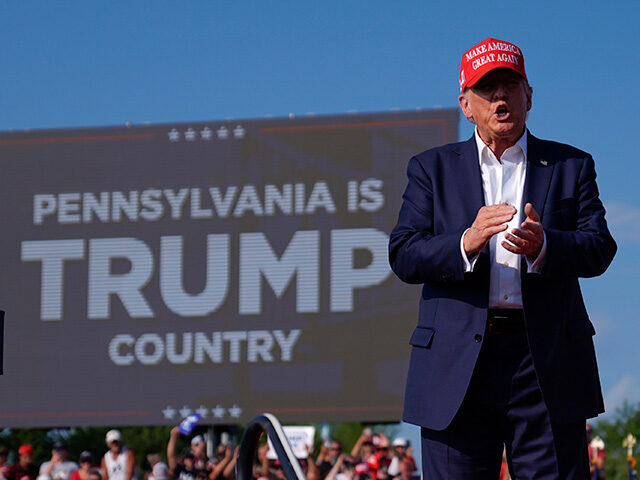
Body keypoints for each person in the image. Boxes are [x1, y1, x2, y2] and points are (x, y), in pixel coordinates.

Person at [389, 37, 617, 478]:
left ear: (528, 97)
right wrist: (466, 241)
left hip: (545, 362)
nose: (499, 97)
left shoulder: (571, 165)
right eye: (486, 88)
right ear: (465, 104)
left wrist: (546, 244)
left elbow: (600, 246)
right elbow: (404, 253)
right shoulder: (430, 169)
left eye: (510, 85)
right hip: (455, 365)